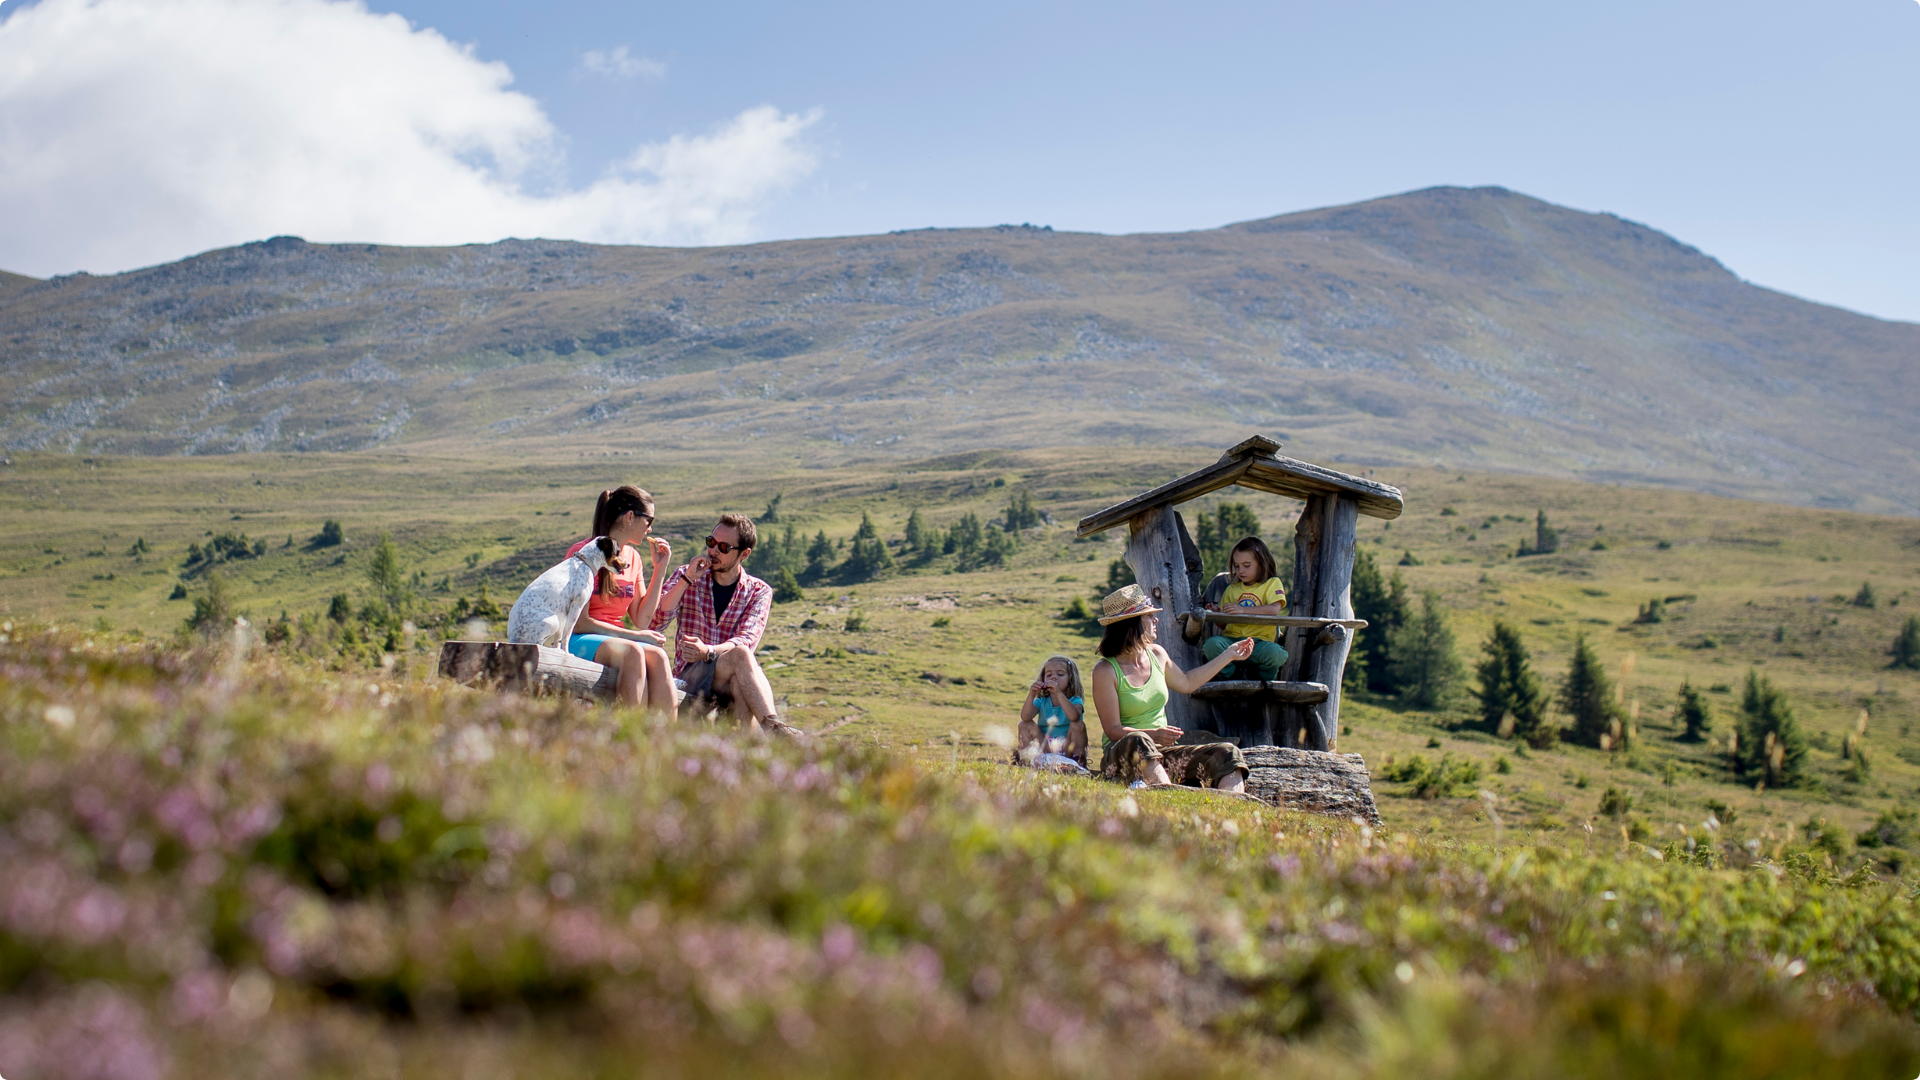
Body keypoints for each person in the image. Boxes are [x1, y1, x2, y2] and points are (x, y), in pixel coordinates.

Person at [650, 513, 801, 736]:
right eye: (711, 542)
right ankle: (773, 729)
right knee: (742, 661)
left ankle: (739, 754)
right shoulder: (688, 575)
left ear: (744, 554)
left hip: (728, 677)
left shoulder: (759, 591)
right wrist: (688, 579)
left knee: (740, 679)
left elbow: (747, 640)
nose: (713, 551)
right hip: (688, 674)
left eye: (723, 547)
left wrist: (708, 651)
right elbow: (656, 622)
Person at [1090, 584, 1251, 791]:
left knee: (1229, 753)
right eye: (1148, 616)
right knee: (1139, 739)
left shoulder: (1157, 654)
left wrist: (1228, 655)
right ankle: (1168, 797)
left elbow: (1186, 682)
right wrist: (1154, 735)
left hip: (1162, 755)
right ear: (1131, 624)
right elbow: (1113, 731)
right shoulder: (1105, 670)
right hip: (1122, 754)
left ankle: (1228, 812)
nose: (1155, 620)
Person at [565, 486, 677, 714]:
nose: (651, 528)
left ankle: (665, 739)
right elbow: (580, 622)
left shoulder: (633, 558)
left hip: (617, 640)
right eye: (649, 520)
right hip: (579, 638)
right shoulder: (582, 553)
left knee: (658, 656)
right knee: (632, 652)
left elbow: (642, 619)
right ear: (630, 517)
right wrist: (635, 637)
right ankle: (629, 734)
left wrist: (660, 570)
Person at [1200, 536, 1289, 682]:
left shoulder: (1272, 583)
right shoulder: (1231, 589)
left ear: (1261, 563)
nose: (1241, 570)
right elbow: (1224, 625)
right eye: (1237, 566)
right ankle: (1230, 674)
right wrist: (1218, 615)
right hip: (1232, 644)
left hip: (1260, 644)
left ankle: (1263, 677)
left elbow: (1274, 609)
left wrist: (1242, 610)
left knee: (1277, 654)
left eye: (1246, 565)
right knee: (1211, 645)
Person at [1016, 654, 1087, 770]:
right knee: (1024, 725)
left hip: (1067, 746)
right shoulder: (1041, 701)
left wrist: (1059, 693)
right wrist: (1031, 695)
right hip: (1044, 745)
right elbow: (1025, 717)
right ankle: (1026, 761)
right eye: (1049, 675)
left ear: (1070, 678)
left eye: (1060, 674)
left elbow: (1074, 717)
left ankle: (1077, 762)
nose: (1054, 677)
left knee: (1078, 725)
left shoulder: (1075, 700)